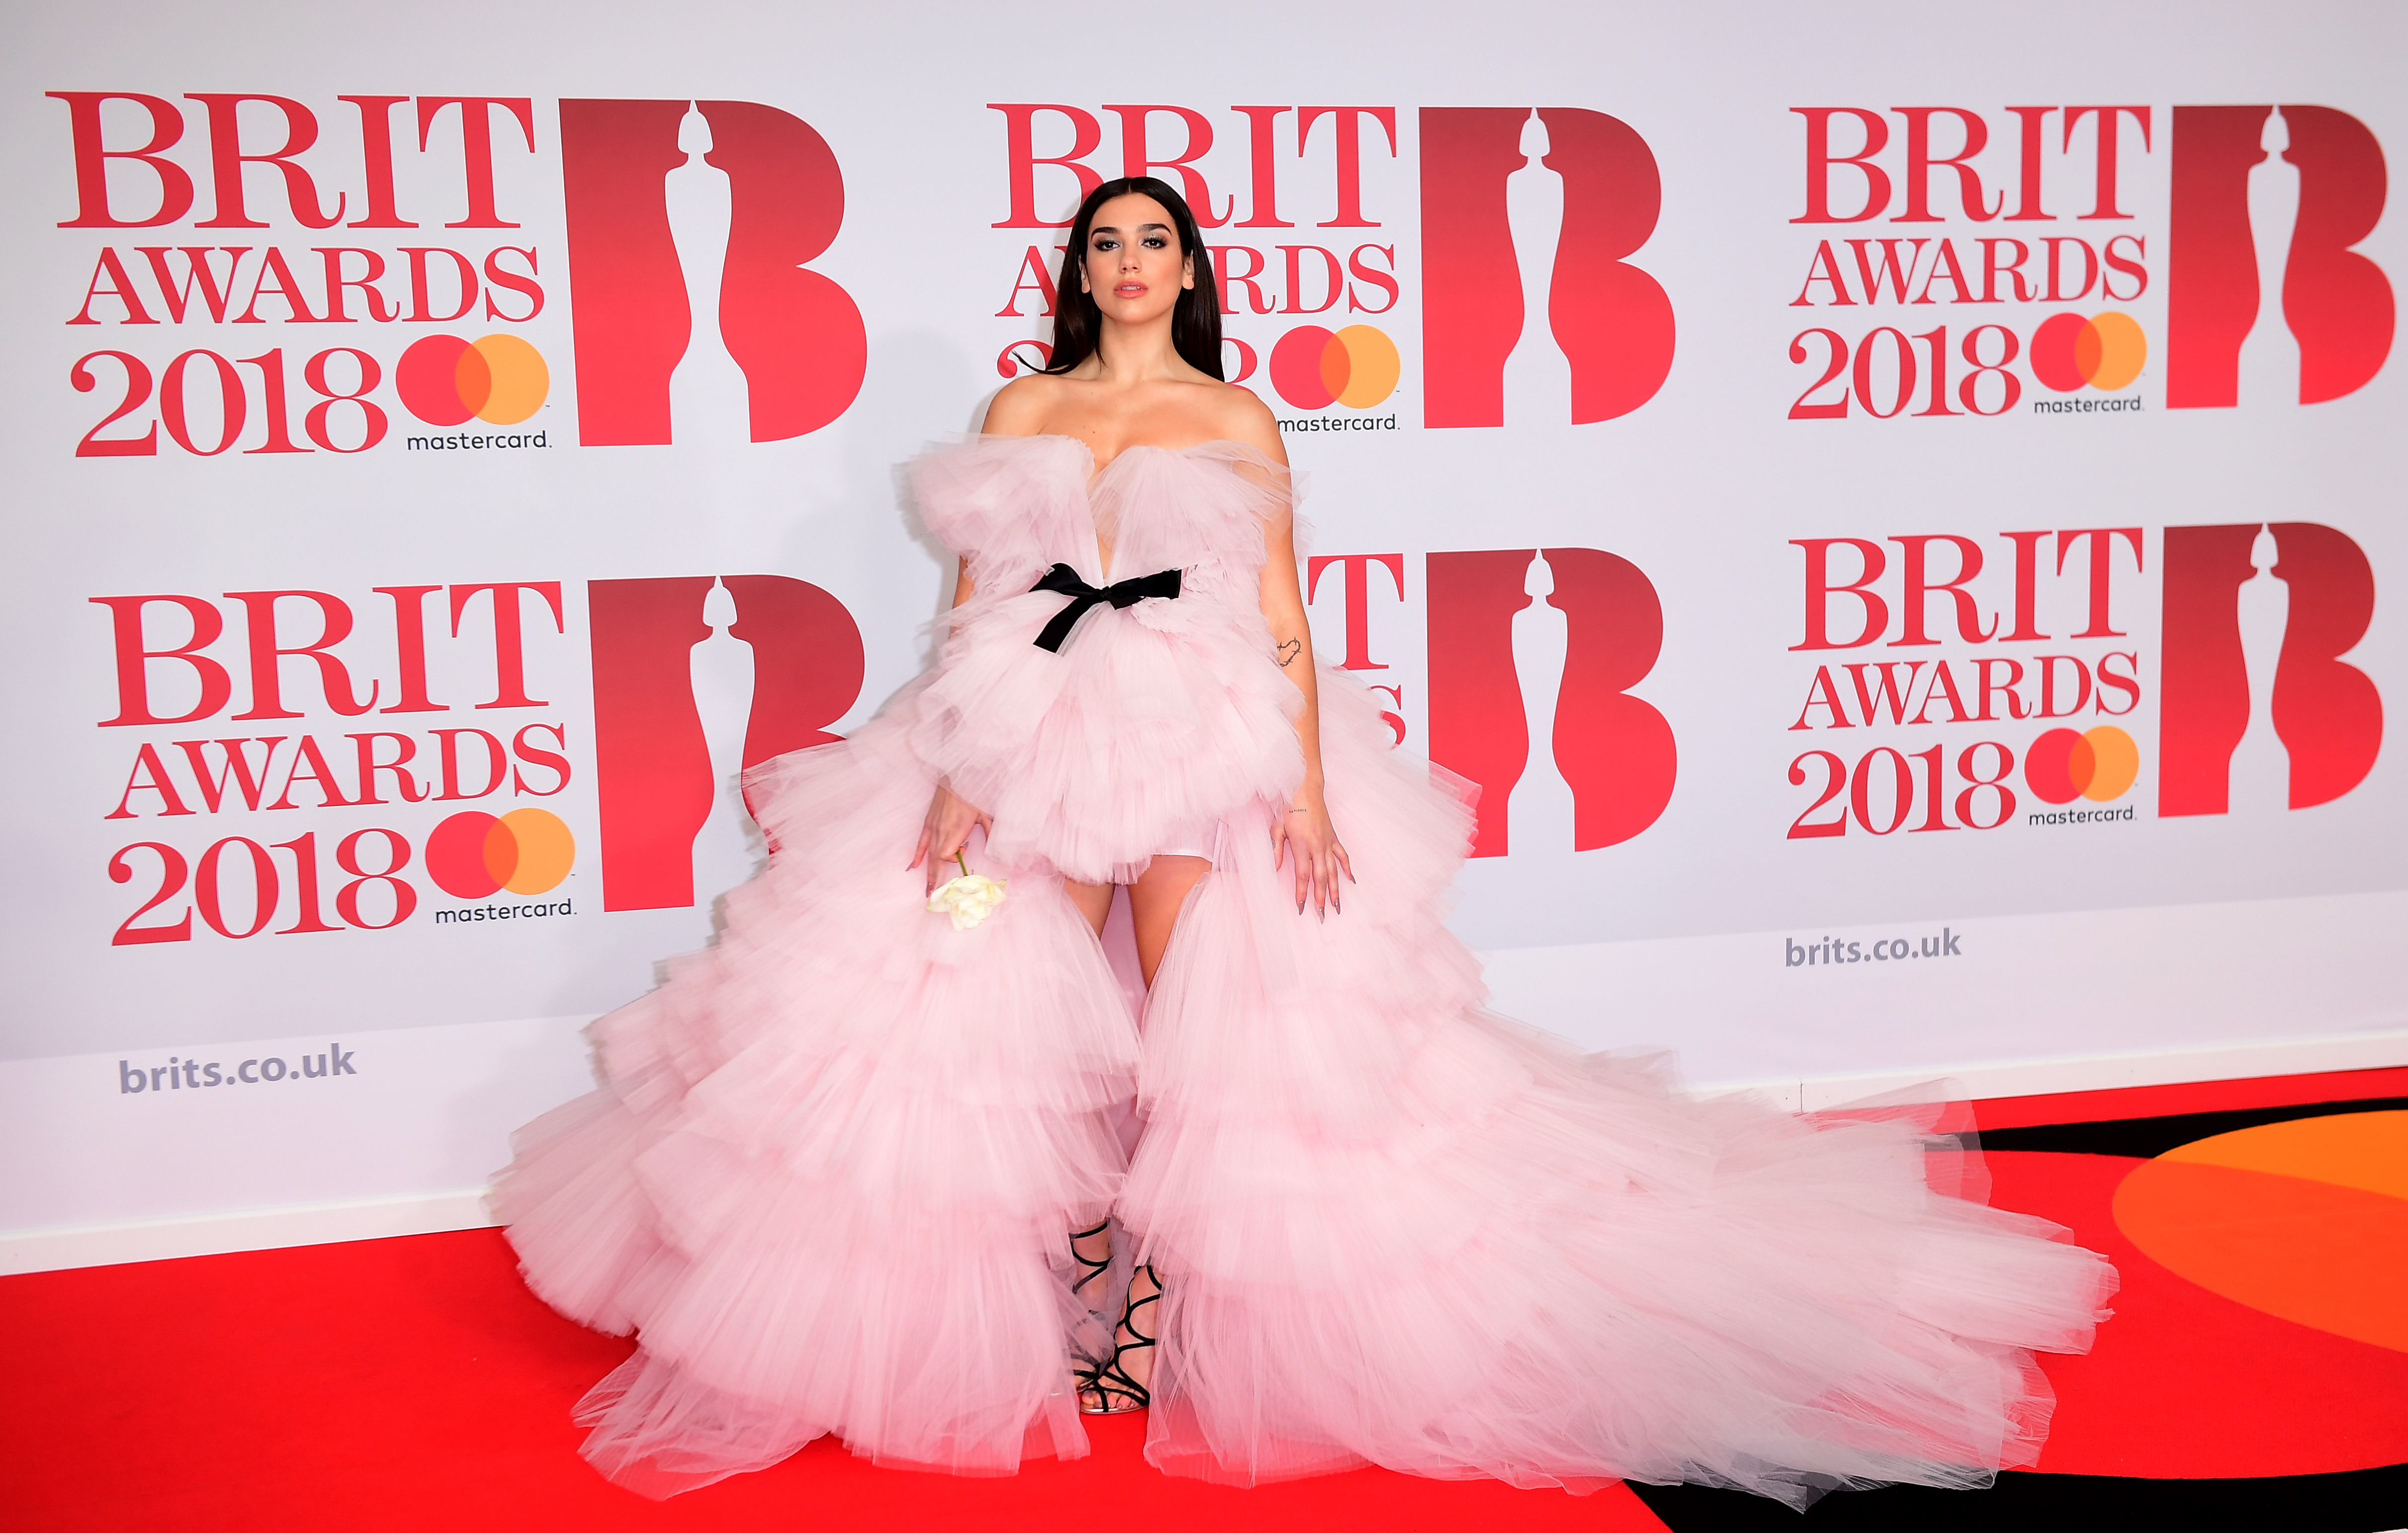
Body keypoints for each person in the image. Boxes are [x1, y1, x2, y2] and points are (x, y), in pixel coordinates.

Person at [494, 176, 2115, 1507]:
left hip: (1196, 737)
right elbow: (984, 602)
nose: (1130, 264)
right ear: (1079, 272)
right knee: (1006, 1024)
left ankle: (1159, 1305)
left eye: (1154, 242)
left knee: (1204, 1036)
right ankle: (1073, 1295)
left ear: (1188, 270)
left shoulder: (1235, 413)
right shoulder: (1025, 404)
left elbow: (1279, 614)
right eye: (1105, 244)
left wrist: (1312, 794)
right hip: (1031, 732)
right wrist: (954, 779)